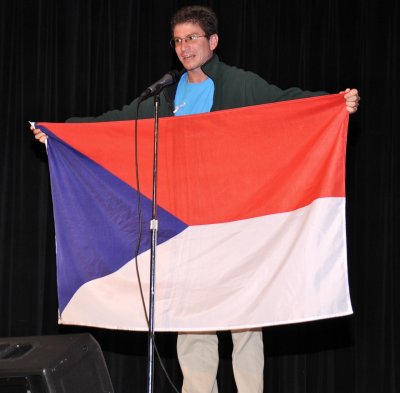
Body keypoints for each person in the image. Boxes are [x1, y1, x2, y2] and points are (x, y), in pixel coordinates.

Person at [32, 5, 360, 393]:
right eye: (178, 40)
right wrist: (64, 133)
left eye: (192, 38)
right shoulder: (166, 95)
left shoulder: (238, 84)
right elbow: (121, 120)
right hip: (189, 220)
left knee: (246, 321)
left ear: (212, 42)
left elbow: (287, 103)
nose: (184, 47)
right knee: (192, 320)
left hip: (237, 217)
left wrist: (335, 103)